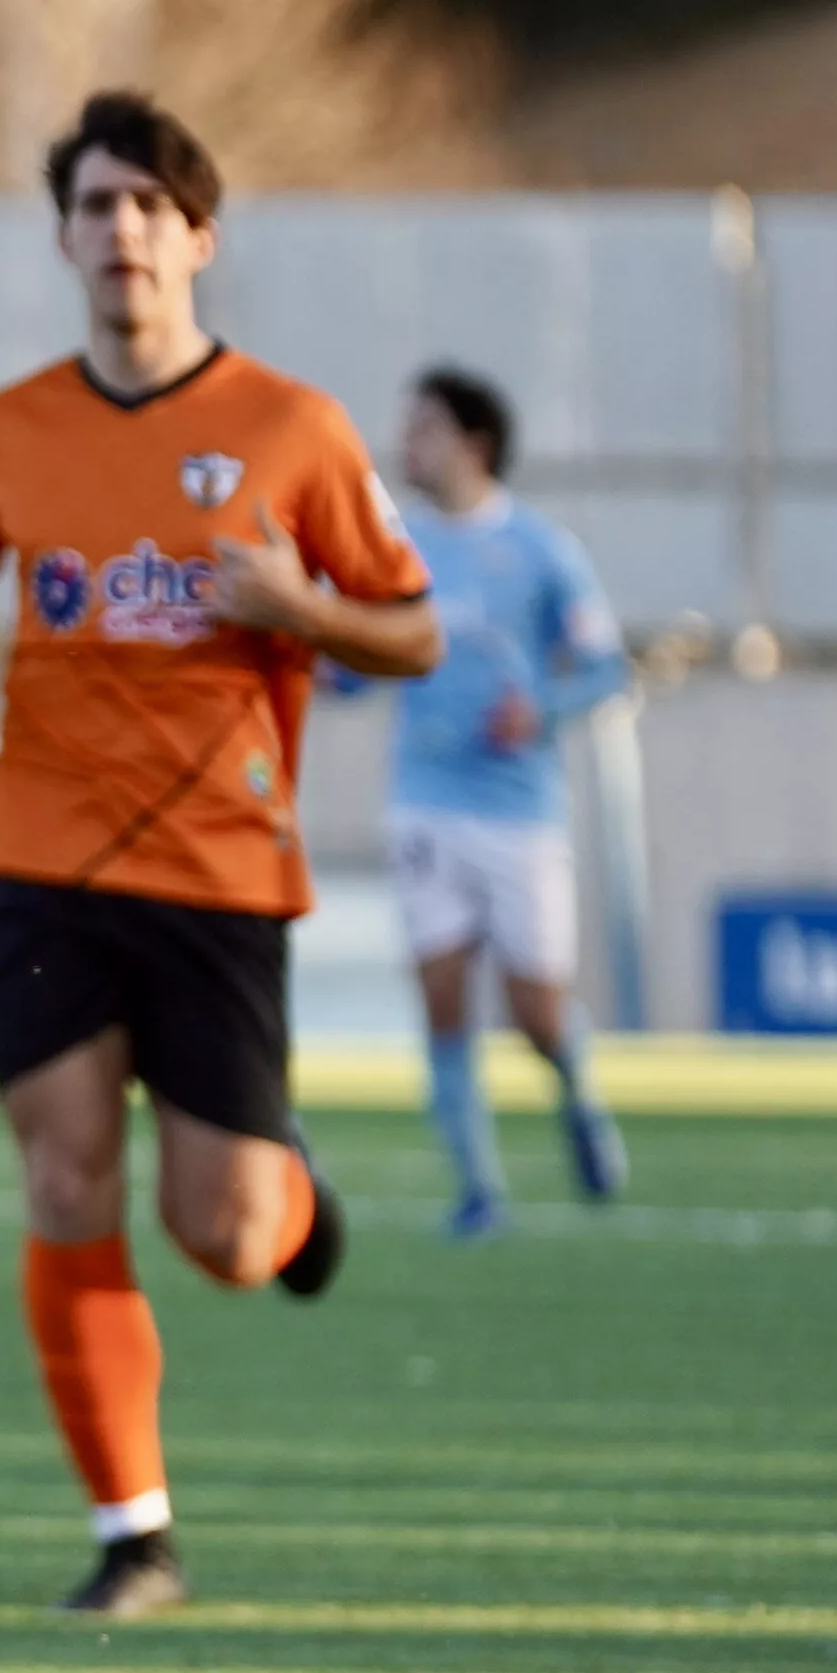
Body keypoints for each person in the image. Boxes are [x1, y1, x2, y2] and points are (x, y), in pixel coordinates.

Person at [0, 94, 440, 1620]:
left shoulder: (291, 429)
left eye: (147, 204)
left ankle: (291, 1197)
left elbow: (413, 623)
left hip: (215, 868)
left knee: (229, 1234)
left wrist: (298, 609)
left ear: (197, 235)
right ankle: (135, 1537)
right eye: (92, 204)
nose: (119, 229)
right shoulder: (2, 431)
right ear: (63, 235)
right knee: (65, 1174)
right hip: (36, 853)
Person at [361, 364, 628, 1234]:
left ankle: (577, 1090)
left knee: (533, 1010)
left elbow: (603, 666)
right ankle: (478, 1189)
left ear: (474, 442)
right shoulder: (397, 548)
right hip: (424, 801)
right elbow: (358, 657)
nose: (407, 442)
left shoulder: (542, 549)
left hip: (518, 809)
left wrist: (540, 709)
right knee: (440, 994)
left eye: (424, 427)